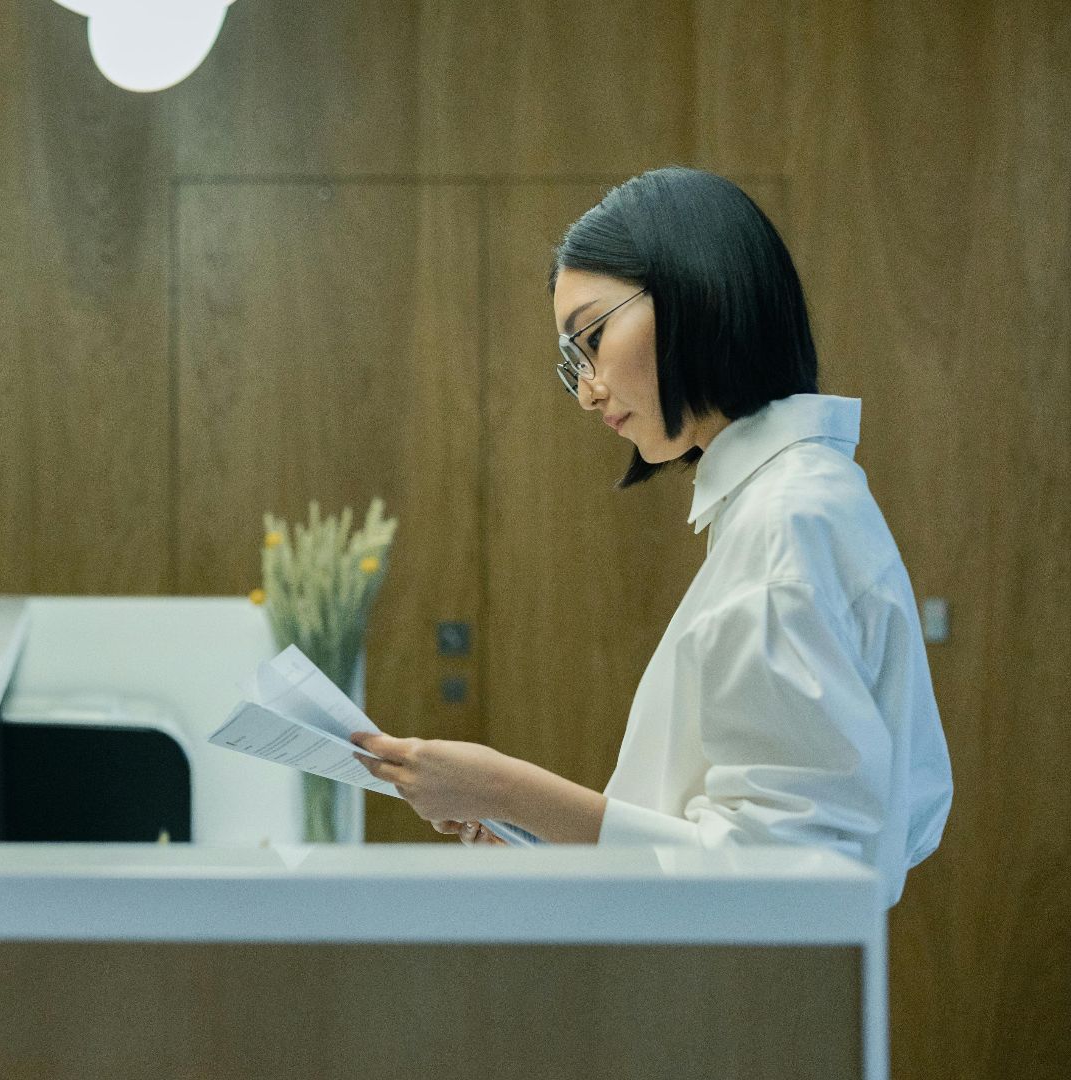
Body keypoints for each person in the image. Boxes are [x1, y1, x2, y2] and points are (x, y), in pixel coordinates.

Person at [351, 167, 952, 906]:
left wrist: (510, 789)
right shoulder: (793, 505)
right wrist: (530, 823)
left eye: (595, 336)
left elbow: (786, 879)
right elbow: (882, 821)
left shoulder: (786, 523)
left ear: (698, 291)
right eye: (573, 361)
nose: (587, 389)